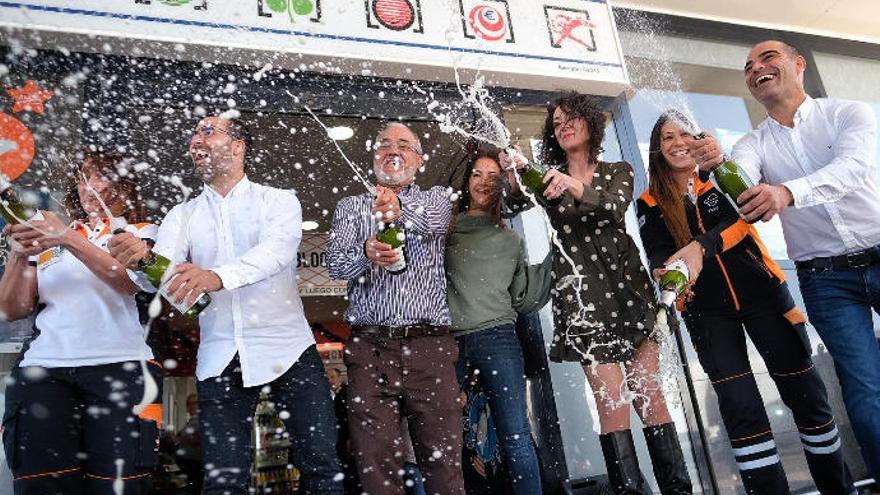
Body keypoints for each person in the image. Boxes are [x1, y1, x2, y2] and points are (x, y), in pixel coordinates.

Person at [108, 115, 341, 495]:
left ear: (237, 146)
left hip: (290, 350)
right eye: (193, 134)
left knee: (320, 463)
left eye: (207, 131)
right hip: (218, 355)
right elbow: (166, 280)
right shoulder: (181, 216)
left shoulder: (279, 201)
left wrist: (215, 276)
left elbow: (275, 254)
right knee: (222, 477)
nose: (194, 140)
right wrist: (141, 262)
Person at [690, 40, 880, 481]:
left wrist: (787, 191)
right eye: (748, 66)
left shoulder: (849, 113)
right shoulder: (751, 144)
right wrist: (719, 165)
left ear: (798, 65)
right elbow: (741, 195)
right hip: (826, 280)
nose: (756, 68)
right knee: (865, 392)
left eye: (767, 58)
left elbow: (853, 169)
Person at [639, 111, 856, 494]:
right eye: (667, 138)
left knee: (807, 398)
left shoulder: (722, 174)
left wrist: (699, 248)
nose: (677, 143)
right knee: (741, 410)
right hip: (707, 313)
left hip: (765, 297)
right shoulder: (649, 199)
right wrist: (663, 270)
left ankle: (841, 488)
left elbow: (744, 219)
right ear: (658, 150)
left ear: (699, 138)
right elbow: (657, 249)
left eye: (684, 134)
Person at [502, 92, 691, 495]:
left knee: (649, 396)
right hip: (583, 302)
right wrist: (512, 171)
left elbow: (612, 206)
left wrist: (570, 184)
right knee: (612, 403)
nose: (563, 125)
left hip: (630, 295)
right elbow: (511, 202)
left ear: (590, 123)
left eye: (571, 118)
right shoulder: (546, 179)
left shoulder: (617, 170)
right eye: (556, 123)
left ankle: (679, 490)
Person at [0, 150, 163, 494]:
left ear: (124, 184)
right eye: (83, 177)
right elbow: (12, 309)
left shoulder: (139, 231)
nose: (89, 185)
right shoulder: (52, 237)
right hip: (43, 373)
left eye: (100, 175)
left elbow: (127, 282)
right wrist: (19, 253)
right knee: (43, 487)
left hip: (120, 369)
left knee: (120, 487)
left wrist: (67, 237)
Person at [327, 122, 465, 495]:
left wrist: (398, 207)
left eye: (404, 145)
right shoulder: (351, 206)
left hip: (430, 348)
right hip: (369, 351)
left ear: (418, 160)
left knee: (444, 466)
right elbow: (337, 265)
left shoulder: (436, 197)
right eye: (385, 144)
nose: (393, 150)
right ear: (374, 158)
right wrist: (366, 253)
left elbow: (435, 223)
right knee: (376, 470)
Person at [445, 147, 552, 494]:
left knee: (516, 436)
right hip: (450, 343)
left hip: (499, 337)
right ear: (466, 180)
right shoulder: (444, 231)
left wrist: (558, 255)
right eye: (477, 173)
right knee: (444, 438)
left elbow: (523, 298)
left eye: (494, 176)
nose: (484, 182)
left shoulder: (511, 239)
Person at [171, 393, 203, 494]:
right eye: (189, 403)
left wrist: (178, 439)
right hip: (187, 463)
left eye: (194, 403)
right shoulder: (192, 420)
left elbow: (198, 439)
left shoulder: (201, 420)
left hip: (195, 463)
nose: (191, 406)